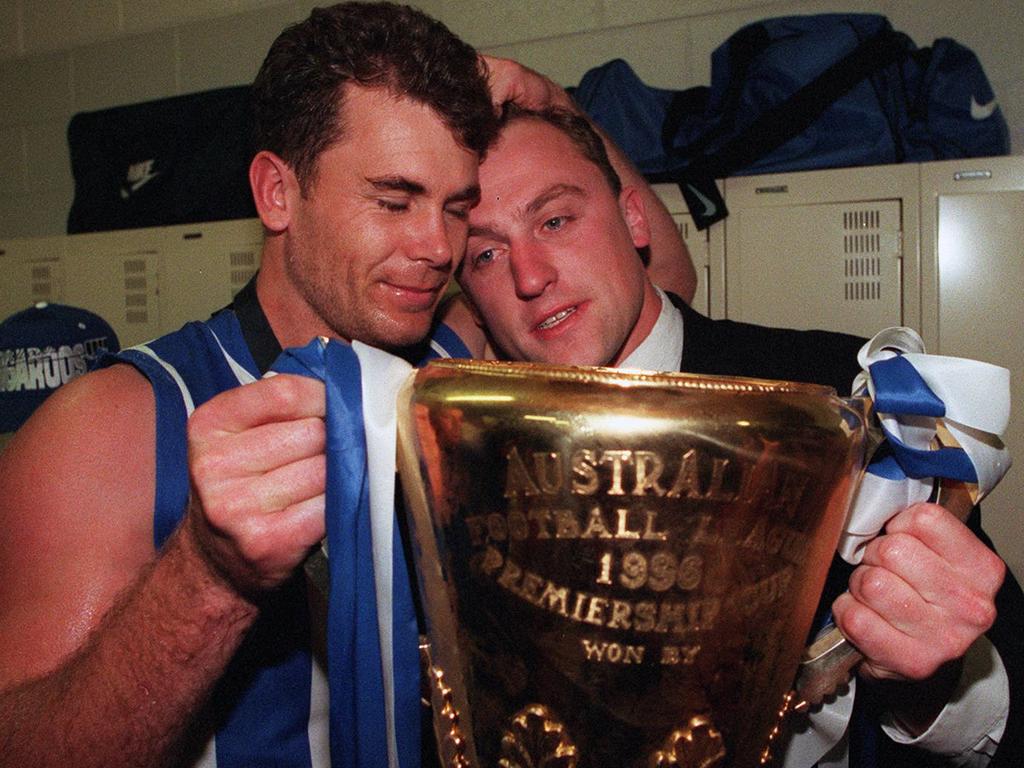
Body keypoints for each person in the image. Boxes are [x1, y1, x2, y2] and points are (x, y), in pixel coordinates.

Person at [444, 102, 1023, 766]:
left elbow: (1005, 716)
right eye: (486, 253)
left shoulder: (838, 402)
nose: (530, 276)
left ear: (635, 218)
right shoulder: (464, 462)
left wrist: (933, 684)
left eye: (555, 219)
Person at [0, 4, 501, 767]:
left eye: (456, 208)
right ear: (276, 193)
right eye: (394, 201)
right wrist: (208, 573)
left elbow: (639, 290)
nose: (437, 247)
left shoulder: (457, 362)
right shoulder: (110, 428)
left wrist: (553, 109)